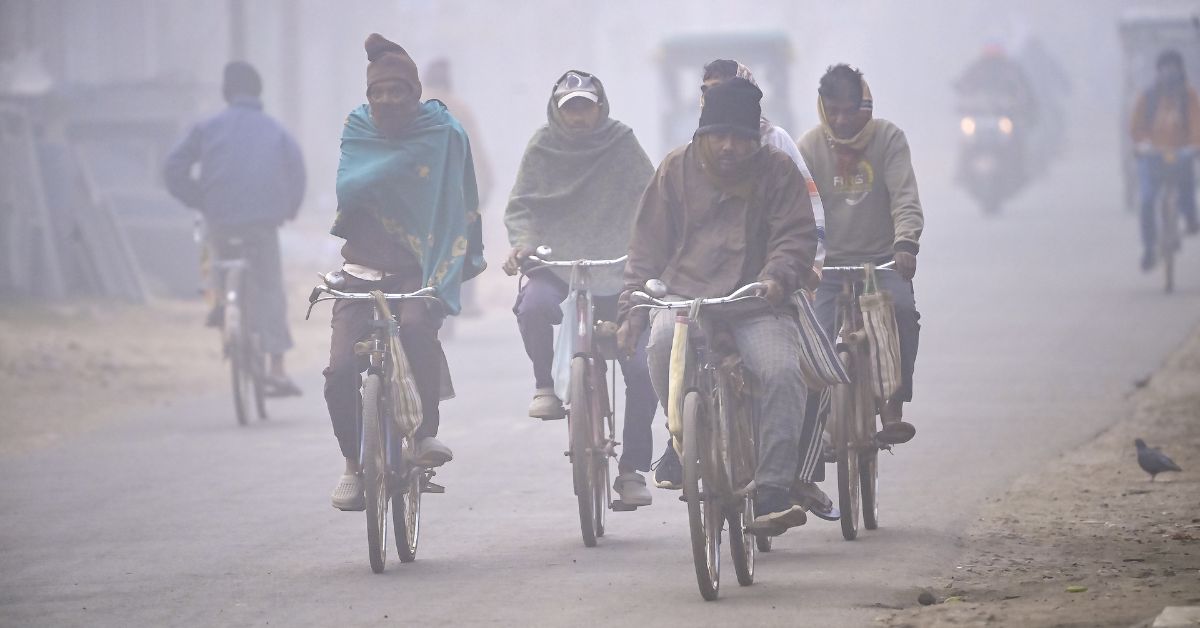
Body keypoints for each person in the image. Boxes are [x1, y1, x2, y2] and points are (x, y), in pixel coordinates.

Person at [617, 78, 821, 533]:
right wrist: (632, 308)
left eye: (740, 137)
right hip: (686, 300)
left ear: (755, 139)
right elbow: (646, 246)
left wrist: (776, 277)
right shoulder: (674, 170)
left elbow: (794, 237)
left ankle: (773, 490)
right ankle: (682, 440)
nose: (729, 146)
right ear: (702, 134)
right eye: (719, 136)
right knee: (660, 347)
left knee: (782, 374)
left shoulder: (778, 171)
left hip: (755, 302)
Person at [324, 34, 485, 511]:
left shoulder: (443, 131)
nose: (388, 100)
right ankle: (352, 462)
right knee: (340, 371)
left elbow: (458, 192)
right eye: (379, 92)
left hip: (418, 267)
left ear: (415, 93)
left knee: (416, 329)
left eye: (398, 91)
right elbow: (348, 186)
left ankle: (424, 434)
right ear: (368, 95)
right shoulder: (357, 128)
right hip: (361, 266)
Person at [502, 70, 658, 507]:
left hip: (619, 268)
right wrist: (523, 242)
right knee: (533, 305)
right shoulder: (542, 146)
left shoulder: (621, 142)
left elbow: (651, 201)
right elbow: (522, 206)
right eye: (570, 108)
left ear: (599, 107)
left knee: (641, 370)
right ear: (557, 110)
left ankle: (632, 470)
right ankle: (544, 385)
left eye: (585, 107)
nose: (577, 116)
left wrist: (650, 250)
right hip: (556, 262)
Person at [163, 61, 305, 396]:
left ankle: (218, 305)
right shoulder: (276, 130)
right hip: (262, 223)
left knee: (213, 258)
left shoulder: (207, 128)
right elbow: (297, 173)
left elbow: (172, 168)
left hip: (220, 218)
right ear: (259, 92)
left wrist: (198, 198)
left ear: (226, 92)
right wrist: (288, 210)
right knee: (270, 288)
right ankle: (277, 368)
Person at [798, 64, 923, 445]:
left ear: (864, 106)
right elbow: (799, 210)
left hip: (880, 262)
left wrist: (905, 243)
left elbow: (904, 197)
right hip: (827, 267)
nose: (841, 120)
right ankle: (813, 425)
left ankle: (893, 403)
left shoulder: (888, 139)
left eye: (849, 111)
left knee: (903, 312)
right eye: (833, 111)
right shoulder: (809, 148)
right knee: (812, 339)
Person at [1131, 49, 1200, 271]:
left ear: (1181, 70)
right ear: (1158, 71)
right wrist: (1143, 144)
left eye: (1173, 67)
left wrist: (1194, 145)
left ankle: (1190, 218)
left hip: (1180, 153)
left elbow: (1196, 124)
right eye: (1165, 67)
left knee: (1187, 184)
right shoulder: (1148, 97)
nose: (1169, 72)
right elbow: (1136, 127)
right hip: (1152, 156)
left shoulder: (1188, 97)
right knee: (1147, 200)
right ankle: (1149, 248)